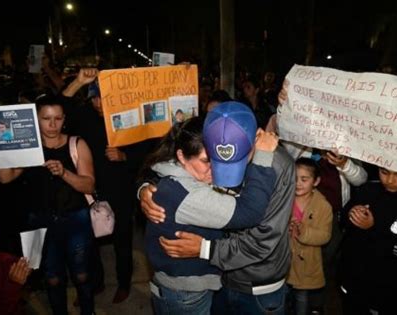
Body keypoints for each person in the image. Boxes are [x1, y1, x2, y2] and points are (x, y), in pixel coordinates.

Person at [142, 103, 296, 315]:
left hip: (256, 287)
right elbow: (169, 172)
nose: (214, 172)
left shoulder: (277, 166)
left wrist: (206, 249)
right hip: (218, 280)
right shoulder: (216, 140)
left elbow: (261, 237)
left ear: (255, 139)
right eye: (210, 160)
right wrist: (143, 188)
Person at [0, 95, 96, 315]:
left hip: (75, 218)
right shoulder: (28, 147)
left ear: (64, 119)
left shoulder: (76, 144)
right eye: (46, 118)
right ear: (35, 119)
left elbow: (89, 185)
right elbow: (5, 177)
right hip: (39, 222)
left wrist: (64, 173)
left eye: (58, 118)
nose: (52, 125)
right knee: (52, 278)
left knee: (82, 275)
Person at [61, 68, 157, 304]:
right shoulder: (83, 116)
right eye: (94, 97)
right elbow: (58, 109)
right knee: (90, 241)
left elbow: (149, 150)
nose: (98, 103)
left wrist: (124, 156)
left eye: (103, 98)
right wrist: (78, 82)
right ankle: (97, 283)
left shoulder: (130, 117)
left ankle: (124, 283)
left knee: (121, 240)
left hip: (121, 190)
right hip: (90, 189)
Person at [340, 167, 397, 315]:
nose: (390, 180)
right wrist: (352, 214)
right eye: (384, 172)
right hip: (353, 278)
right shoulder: (367, 189)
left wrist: (372, 228)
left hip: (386, 286)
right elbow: (342, 221)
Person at [287, 158, 332, 315]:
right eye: (294, 179)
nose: (298, 183)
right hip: (283, 261)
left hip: (306, 264)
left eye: (304, 179)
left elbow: (325, 236)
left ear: (316, 181)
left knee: (301, 300)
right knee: (283, 300)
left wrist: (303, 231)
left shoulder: (323, 206)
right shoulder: (284, 199)